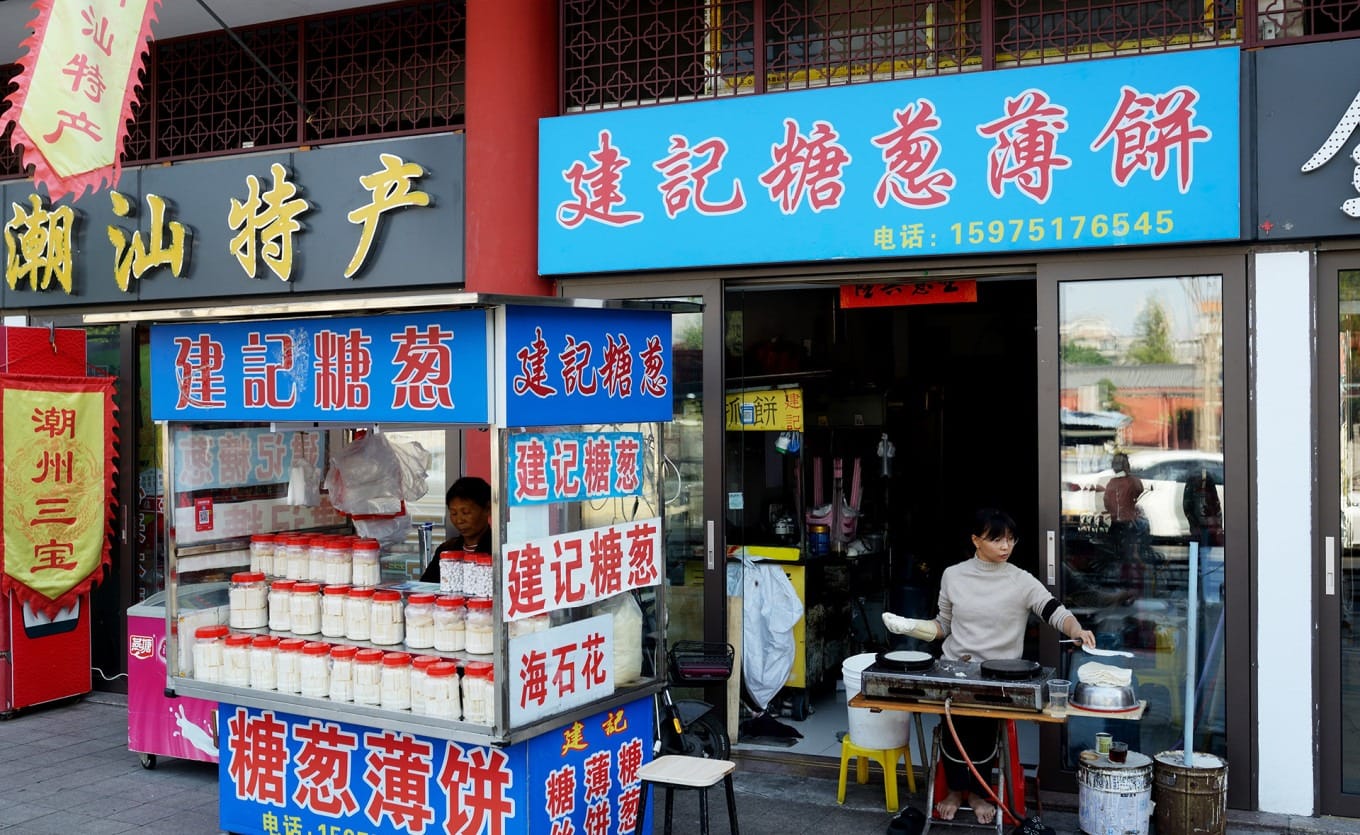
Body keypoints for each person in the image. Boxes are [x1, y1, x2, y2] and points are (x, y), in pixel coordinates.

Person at [882, 508, 1095, 825]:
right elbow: (943, 625)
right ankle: (956, 791)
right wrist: (910, 627)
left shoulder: (1020, 580)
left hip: (1001, 674)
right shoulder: (953, 575)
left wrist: (1076, 629)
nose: (1005, 546)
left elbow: (1053, 609)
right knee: (953, 726)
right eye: (996, 539)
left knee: (983, 730)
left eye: (1010, 539)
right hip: (955, 668)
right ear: (976, 541)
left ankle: (977, 793)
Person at [419, 476, 493, 583]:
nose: (459, 520)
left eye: (466, 512)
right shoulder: (446, 549)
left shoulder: (497, 551)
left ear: (488, 509)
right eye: (454, 513)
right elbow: (427, 586)